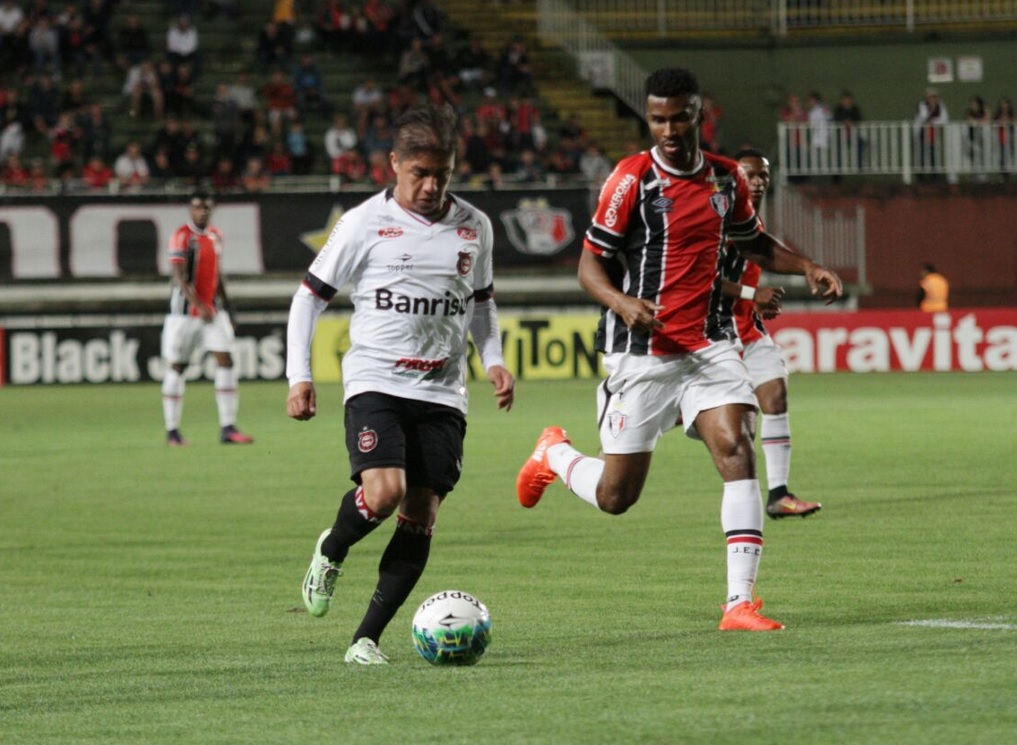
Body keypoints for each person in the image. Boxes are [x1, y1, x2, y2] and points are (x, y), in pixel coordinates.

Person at [515, 68, 842, 632]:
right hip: (643, 350)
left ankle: (738, 603)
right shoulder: (631, 180)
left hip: (711, 344)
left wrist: (808, 265)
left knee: (737, 447)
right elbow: (589, 266)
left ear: (698, 116)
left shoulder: (725, 178)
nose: (668, 130)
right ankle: (555, 455)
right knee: (617, 496)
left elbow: (752, 241)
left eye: (679, 118)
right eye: (658, 119)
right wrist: (622, 302)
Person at [287, 103, 515, 665]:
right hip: (377, 381)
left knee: (421, 514)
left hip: (442, 392)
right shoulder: (363, 223)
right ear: (394, 163)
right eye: (420, 173)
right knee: (384, 492)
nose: (432, 186)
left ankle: (365, 640)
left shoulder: (475, 227)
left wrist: (493, 359)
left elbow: (482, 303)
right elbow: (308, 298)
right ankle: (332, 547)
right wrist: (300, 375)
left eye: (443, 173)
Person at [721, 148, 821, 519]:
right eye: (749, 174)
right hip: (708, 337)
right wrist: (752, 294)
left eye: (763, 175)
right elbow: (698, 282)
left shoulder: (754, 225)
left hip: (747, 331)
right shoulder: (714, 222)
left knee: (775, 396)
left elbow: (761, 260)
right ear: (733, 179)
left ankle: (779, 493)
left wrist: (756, 302)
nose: (758, 181)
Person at [160, 190, 254, 446]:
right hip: (184, 315)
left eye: (206, 208)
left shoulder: (215, 236)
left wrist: (228, 307)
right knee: (178, 367)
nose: (202, 212)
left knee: (226, 360)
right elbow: (179, 277)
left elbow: (217, 275)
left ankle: (228, 428)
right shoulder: (181, 236)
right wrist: (198, 305)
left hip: (212, 312)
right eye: (198, 208)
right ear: (190, 210)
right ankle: (172, 431)